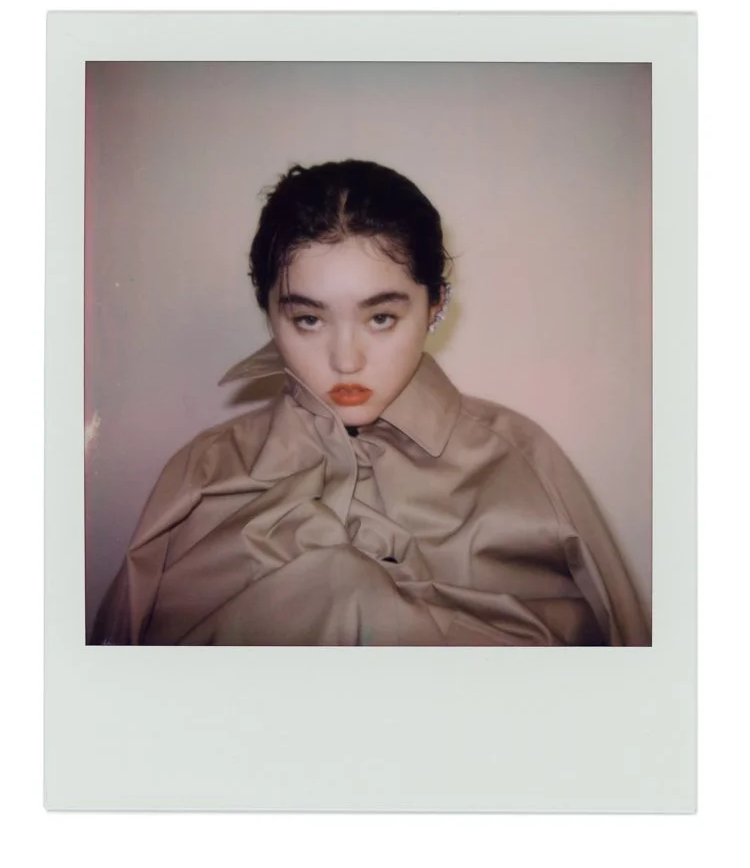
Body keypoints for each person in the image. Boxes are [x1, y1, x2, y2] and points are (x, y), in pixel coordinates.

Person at [91, 159, 651, 646]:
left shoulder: (522, 463)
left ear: (435, 306)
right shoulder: (202, 475)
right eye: (308, 320)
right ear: (270, 313)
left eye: (381, 317)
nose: (346, 360)